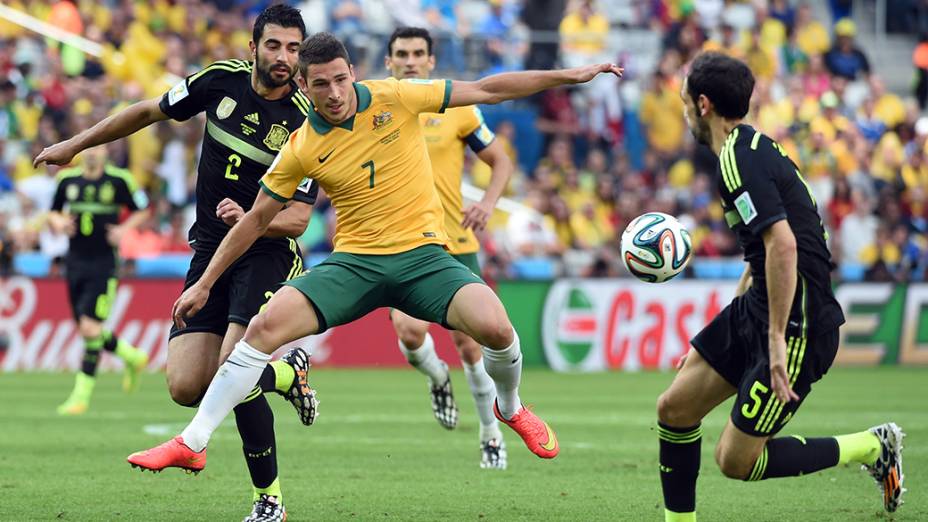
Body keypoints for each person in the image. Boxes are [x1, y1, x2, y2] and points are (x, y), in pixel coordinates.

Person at [127, 32, 623, 478]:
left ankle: (510, 409)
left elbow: (489, 89)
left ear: (353, 75)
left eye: (341, 80)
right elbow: (257, 220)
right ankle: (193, 442)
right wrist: (206, 283)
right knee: (259, 332)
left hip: (423, 259)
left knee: (496, 327)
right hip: (355, 265)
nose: (335, 93)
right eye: (321, 85)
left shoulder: (397, 96)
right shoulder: (300, 145)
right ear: (305, 85)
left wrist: (570, 76)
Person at [34, 6, 318, 522]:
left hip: (267, 253)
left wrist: (254, 218)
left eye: (294, 49)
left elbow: (297, 220)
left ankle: (268, 499)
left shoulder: (305, 119)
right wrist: (75, 146)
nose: (284, 58)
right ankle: (284, 376)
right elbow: (146, 111)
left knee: (237, 363)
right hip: (209, 247)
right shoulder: (219, 83)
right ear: (253, 48)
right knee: (186, 386)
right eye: (274, 46)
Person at [656, 51, 905, 522]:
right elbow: (762, 249)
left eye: (685, 98)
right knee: (674, 408)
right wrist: (725, 329)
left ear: (703, 104)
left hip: (798, 326)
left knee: (736, 461)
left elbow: (784, 246)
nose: (683, 106)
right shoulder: (748, 149)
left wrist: (773, 342)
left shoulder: (737, 161)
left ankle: (873, 446)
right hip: (763, 305)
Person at [384, 27, 514, 469]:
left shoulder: (458, 109)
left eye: (419, 53)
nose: (411, 61)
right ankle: (437, 376)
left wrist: (489, 202)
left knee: (470, 345)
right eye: (402, 54)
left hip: (455, 242)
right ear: (389, 63)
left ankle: (490, 432)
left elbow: (501, 160)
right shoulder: (375, 106)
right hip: (400, 241)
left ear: (431, 61)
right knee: (409, 332)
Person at [48, 144, 149, 415]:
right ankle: (133, 356)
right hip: (74, 262)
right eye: (88, 149)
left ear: (106, 152)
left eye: (98, 148)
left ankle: (80, 396)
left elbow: (143, 209)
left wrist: (123, 229)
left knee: (91, 329)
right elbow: (53, 211)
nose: (92, 153)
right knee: (86, 328)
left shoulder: (119, 180)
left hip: (104, 264)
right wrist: (57, 223)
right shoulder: (66, 180)